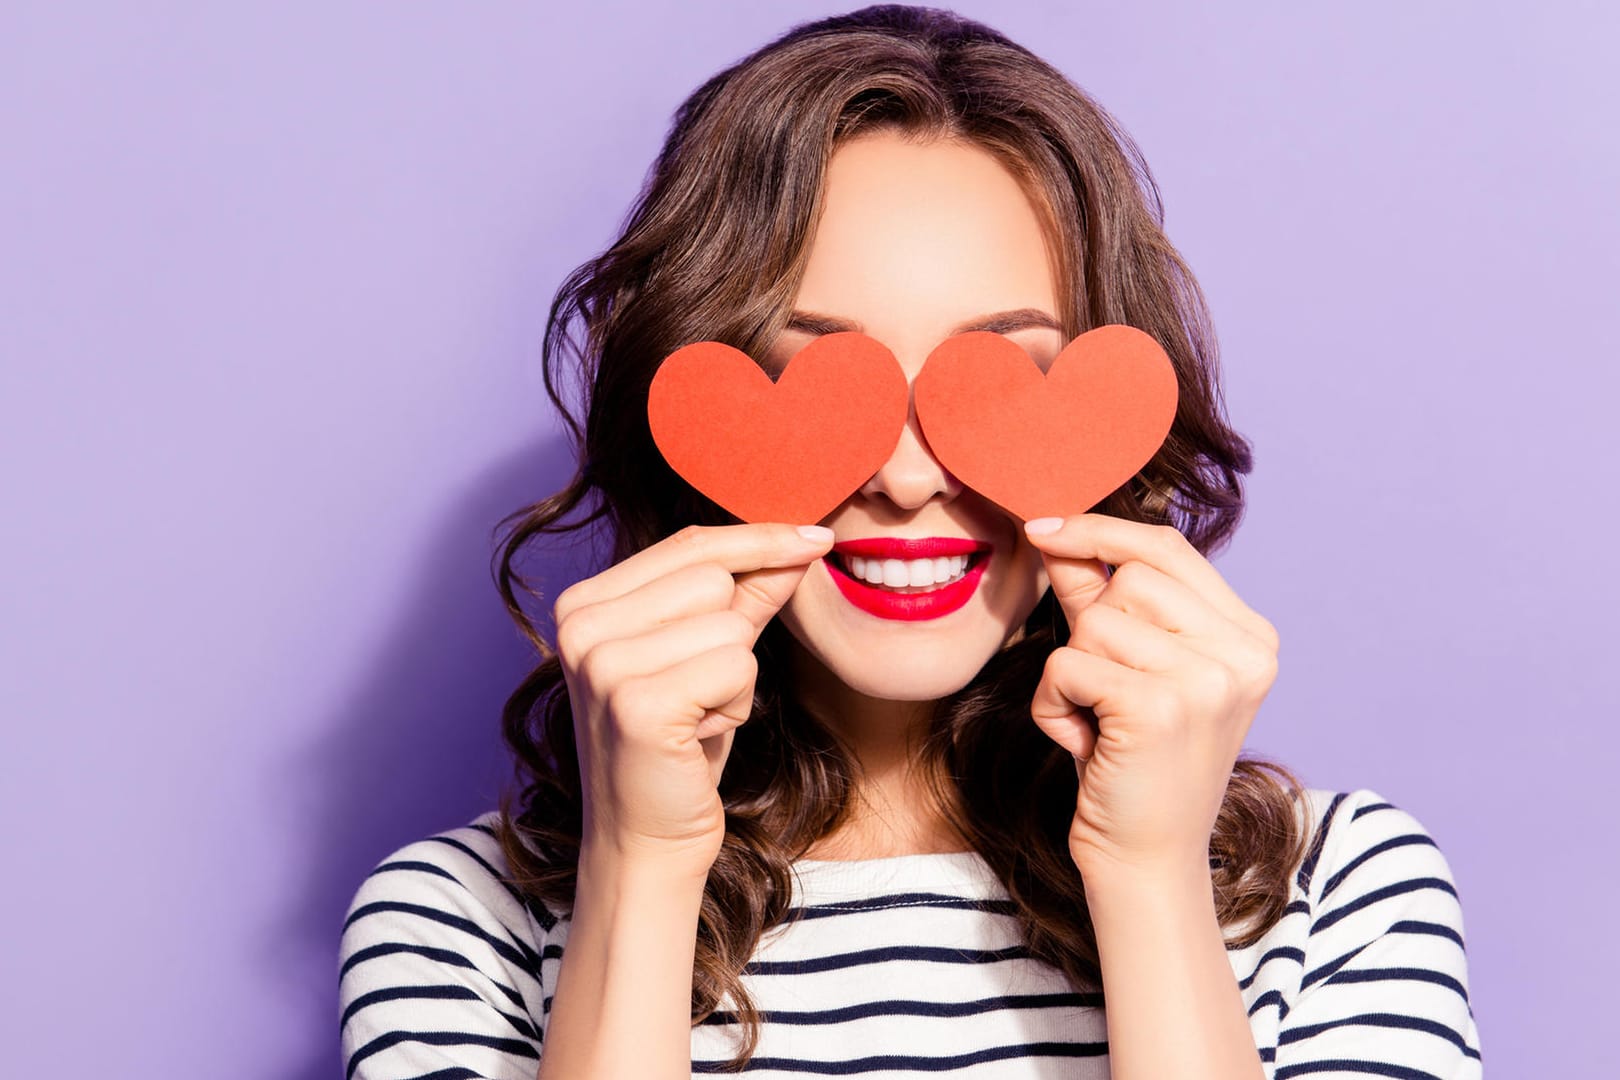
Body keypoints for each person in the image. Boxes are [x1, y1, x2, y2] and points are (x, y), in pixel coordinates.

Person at [338, 6, 1482, 1078]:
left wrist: (1148, 882)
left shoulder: (1341, 891)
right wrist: (638, 872)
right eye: (812, 378)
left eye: (1006, 383)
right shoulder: (462, 920)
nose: (906, 475)